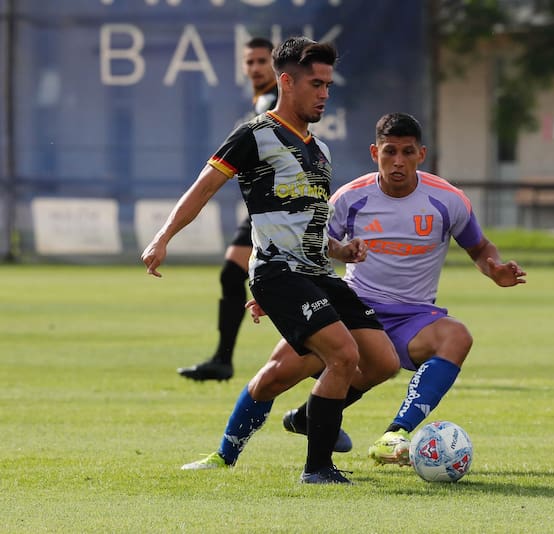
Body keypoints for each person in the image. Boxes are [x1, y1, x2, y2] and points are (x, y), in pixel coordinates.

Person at [178, 112, 526, 474]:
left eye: (407, 153)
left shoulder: (447, 199)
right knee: (275, 376)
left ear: (421, 154)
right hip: (352, 309)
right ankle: (223, 456)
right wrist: (282, 294)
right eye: (390, 152)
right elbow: (310, 244)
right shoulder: (350, 198)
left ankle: (395, 434)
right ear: (375, 152)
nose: (398, 162)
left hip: (414, 317)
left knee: (457, 336)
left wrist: (494, 268)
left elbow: (479, 247)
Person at [142, 37, 399, 485]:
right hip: (278, 274)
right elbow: (203, 188)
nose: (324, 94)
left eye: (328, 86)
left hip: (317, 275)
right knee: (342, 354)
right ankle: (317, 469)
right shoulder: (254, 135)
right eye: (316, 84)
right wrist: (163, 237)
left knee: (379, 362)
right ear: (287, 82)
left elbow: (309, 225)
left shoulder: (320, 150)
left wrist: (341, 250)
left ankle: (290, 424)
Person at [177, 37, 278, 382]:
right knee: (235, 274)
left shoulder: (273, 100)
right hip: (263, 204)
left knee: (283, 282)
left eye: (262, 61)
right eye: (249, 62)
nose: (255, 68)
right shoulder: (265, 99)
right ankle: (222, 359)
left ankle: (342, 346)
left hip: (278, 204)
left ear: (275, 64)